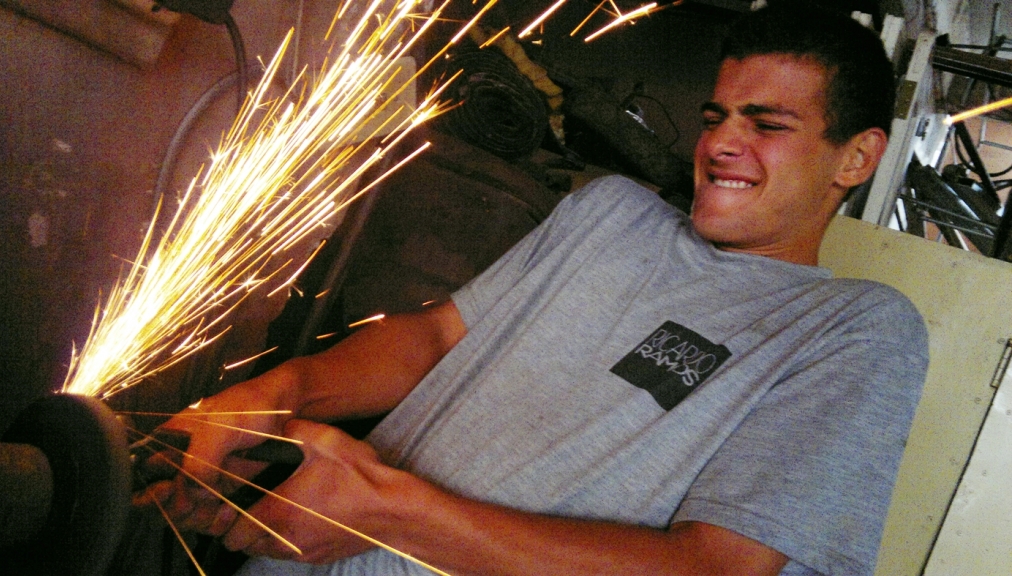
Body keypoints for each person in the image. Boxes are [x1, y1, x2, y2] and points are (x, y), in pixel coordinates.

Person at [146, 5, 928, 575]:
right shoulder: (609, 213)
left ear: (856, 159)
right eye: (716, 115)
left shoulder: (852, 330)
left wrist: (390, 513)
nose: (721, 141)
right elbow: (434, 338)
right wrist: (282, 393)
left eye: (767, 125)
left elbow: (712, 569)